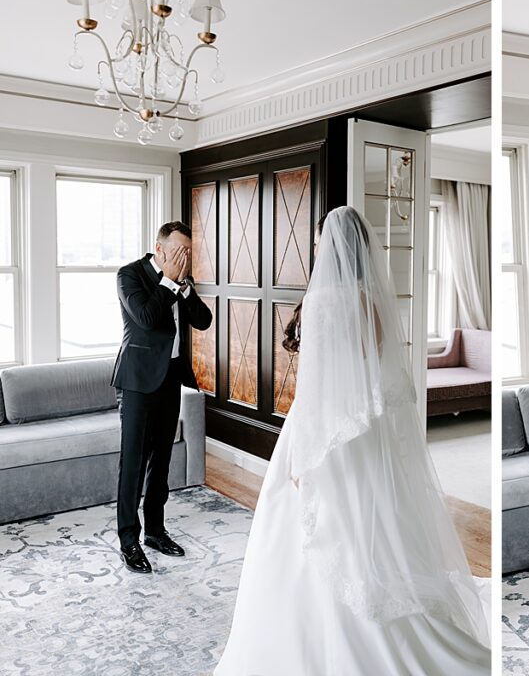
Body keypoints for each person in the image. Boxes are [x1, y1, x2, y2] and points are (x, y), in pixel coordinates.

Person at [215, 206, 490, 675]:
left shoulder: (322, 301)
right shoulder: (371, 300)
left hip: (322, 424)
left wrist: (303, 455)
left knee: (316, 528)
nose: (319, 246)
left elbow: (316, 383)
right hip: (362, 425)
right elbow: (374, 370)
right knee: (370, 522)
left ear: (331, 245)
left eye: (321, 238)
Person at [111, 221, 213, 574]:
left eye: (189, 252)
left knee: (162, 460)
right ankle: (128, 540)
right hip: (138, 381)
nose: (185, 259)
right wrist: (169, 282)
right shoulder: (129, 276)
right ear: (160, 249)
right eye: (179, 252)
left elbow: (204, 321)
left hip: (170, 378)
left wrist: (184, 289)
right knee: (134, 462)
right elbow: (146, 317)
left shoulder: (181, 282)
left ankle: (155, 531)